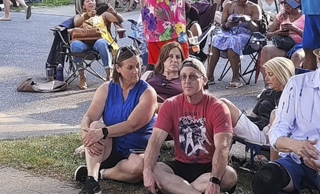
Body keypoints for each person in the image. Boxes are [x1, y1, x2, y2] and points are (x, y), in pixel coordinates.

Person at [142, 58, 237, 194]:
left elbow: (222, 147)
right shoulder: (170, 104)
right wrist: (147, 171)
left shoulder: (218, 107)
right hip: (181, 165)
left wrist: (215, 180)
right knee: (154, 169)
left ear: (204, 80)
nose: (187, 81)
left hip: (209, 167)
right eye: (183, 77)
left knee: (230, 175)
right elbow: (155, 140)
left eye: (192, 77)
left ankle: (176, 189)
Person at [75, 47, 157, 194]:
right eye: (130, 67)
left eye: (138, 66)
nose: (136, 71)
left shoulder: (148, 93)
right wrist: (86, 135)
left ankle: (101, 173)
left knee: (140, 167)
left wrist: (103, 132)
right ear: (118, 68)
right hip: (111, 146)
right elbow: (89, 117)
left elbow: (131, 125)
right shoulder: (106, 88)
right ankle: (92, 182)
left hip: (138, 149)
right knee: (94, 125)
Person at [253, 50, 320, 194]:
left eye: (271, 74)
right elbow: (278, 127)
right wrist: (293, 144)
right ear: (319, 59)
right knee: (267, 177)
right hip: (298, 160)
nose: (267, 78)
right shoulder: (298, 84)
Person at [217, 56, 293, 149]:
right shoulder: (267, 93)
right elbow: (253, 115)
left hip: (266, 136)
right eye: (266, 74)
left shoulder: (290, 97)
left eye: (270, 74)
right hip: (254, 128)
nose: (266, 78)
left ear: (281, 74)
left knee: (223, 103)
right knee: (220, 107)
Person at [206, 0, 262, 88]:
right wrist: (228, 24)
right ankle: (210, 76)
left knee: (233, 41)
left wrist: (248, 21)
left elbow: (257, 29)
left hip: (247, 34)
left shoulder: (254, 7)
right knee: (215, 39)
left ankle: (236, 78)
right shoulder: (229, 5)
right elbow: (222, 26)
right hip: (229, 31)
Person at [71, 0, 122, 89]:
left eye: (92, 0)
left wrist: (114, 13)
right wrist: (87, 16)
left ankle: (109, 76)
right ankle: (82, 78)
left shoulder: (103, 16)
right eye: (87, 1)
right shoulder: (79, 16)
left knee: (102, 43)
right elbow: (76, 23)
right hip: (84, 42)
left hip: (98, 42)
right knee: (74, 44)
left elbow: (120, 20)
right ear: (83, 6)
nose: (90, 2)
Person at [259, 0, 307, 70]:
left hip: (300, 46)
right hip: (285, 45)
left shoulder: (305, 16)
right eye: (284, 2)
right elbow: (268, 35)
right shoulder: (281, 15)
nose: (286, 5)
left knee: (296, 55)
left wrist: (295, 29)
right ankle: (268, 77)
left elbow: (310, 37)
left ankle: (294, 77)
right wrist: (277, 33)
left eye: (289, 2)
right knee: (266, 50)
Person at [141, 41, 184, 106]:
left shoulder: (184, 80)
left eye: (178, 57)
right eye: (170, 56)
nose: (174, 60)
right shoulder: (149, 74)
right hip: (147, 108)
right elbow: (136, 93)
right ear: (163, 59)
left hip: (172, 109)